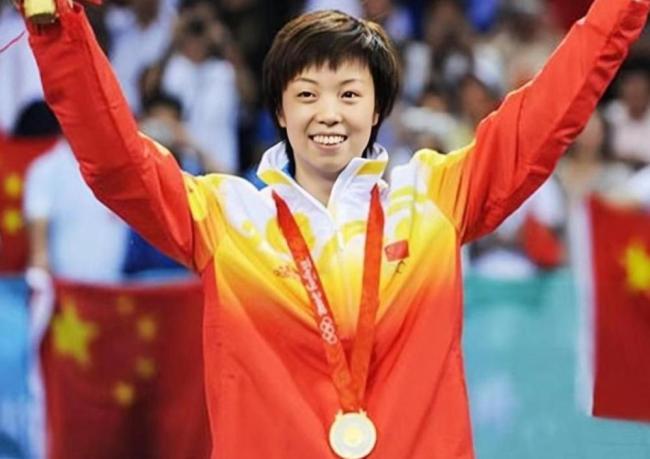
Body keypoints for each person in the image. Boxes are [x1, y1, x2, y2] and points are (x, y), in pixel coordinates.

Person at [19, 1, 650, 458]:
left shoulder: (434, 198)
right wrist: (55, 25)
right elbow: (117, 163)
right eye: (307, 94)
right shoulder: (225, 217)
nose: (329, 114)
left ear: (377, 110)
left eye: (350, 94)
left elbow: (548, 115)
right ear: (278, 109)